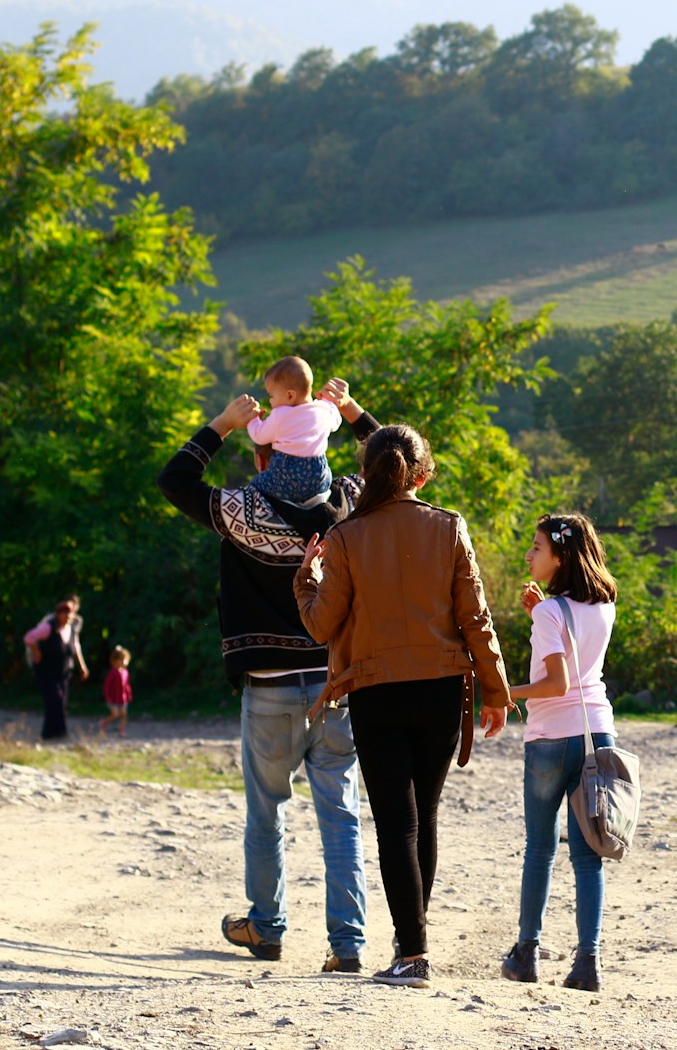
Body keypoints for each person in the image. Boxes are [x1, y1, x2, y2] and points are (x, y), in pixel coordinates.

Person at [156, 377, 374, 974]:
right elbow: (395, 464)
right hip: (334, 686)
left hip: (271, 687)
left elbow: (174, 481)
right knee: (342, 815)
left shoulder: (243, 509)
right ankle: (348, 943)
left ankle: (267, 926)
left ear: (264, 453)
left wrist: (222, 424)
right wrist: (351, 411)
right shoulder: (347, 506)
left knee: (267, 811)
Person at [294, 423, 513, 989]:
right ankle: (410, 941)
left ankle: (412, 950)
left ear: (366, 474)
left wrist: (304, 582)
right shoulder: (448, 526)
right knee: (426, 817)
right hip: (442, 687)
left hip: (375, 691)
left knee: (397, 823)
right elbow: (475, 617)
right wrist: (496, 690)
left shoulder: (344, 538)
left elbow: (322, 625)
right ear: (422, 473)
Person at [499, 512, 620, 994]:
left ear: (560, 556)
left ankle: (527, 954)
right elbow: (579, 655)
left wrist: (506, 692)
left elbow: (555, 682)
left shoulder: (552, 612)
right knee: (589, 854)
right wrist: (538, 613)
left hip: (552, 738)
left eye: (536, 547)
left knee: (540, 848)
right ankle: (586, 963)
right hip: (597, 733)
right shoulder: (605, 605)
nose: (529, 554)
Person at [247, 355, 341, 507]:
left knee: (255, 485)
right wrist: (329, 403)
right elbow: (336, 422)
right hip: (318, 480)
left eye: (271, 396)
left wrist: (253, 419)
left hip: (285, 478)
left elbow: (259, 436)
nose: (270, 401)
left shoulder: (280, 415)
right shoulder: (322, 410)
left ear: (290, 395)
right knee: (327, 480)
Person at [22, 595, 88, 741]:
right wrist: (36, 653)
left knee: (61, 702)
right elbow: (28, 638)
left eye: (71, 613)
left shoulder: (71, 629)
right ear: (59, 614)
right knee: (54, 700)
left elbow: (76, 647)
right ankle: (48, 734)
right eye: (66, 613)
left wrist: (82, 666)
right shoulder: (48, 626)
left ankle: (59, 733)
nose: (69, 617)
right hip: (46, 672)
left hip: (63, 672)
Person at [100, 646, 133, 736]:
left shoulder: (125, 672)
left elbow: (127, 685)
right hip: (113, 698)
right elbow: (107, 686)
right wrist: (107, 696)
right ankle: (104, 722)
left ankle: (121, 731)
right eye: (121, 659)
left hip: (123, 698)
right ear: (114, 661)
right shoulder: (112, 673)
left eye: (124, 659)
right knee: (115, 715)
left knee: (123, 715)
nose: (124, 662)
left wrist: (129, 694)